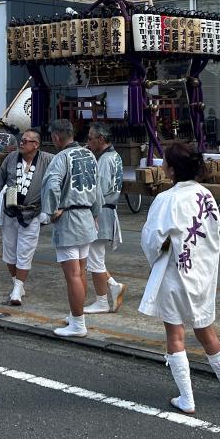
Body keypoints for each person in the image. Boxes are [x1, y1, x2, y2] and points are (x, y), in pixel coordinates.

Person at [139, 142, 220, 413]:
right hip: (202, 272)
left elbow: (151, 239)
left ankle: (187, 398)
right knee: (207, 330)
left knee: (175, 333)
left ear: (170, 169)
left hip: (174, 271)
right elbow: (215, 233)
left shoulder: (165, 199)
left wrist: (158, 254)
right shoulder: (205, 195)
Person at [40, 118, 103, 339]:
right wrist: (96, 213)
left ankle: (78, 323)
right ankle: (75, 314)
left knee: (73, 275)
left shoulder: (61, 158)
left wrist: (51, 210)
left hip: (68, 218)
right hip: (86, 216)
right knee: (81, 271)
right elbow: (97, 188)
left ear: (56, 137)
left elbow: (52, 184)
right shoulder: (89, 155)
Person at [0, 128, 52, 306]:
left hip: (32, 212)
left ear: (36, 145)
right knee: (9, 251)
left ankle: (17, 289)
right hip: (10, 209)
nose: (21, 143)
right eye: (21, 140)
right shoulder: (10, 158)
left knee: (25, 251)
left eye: (26, 141)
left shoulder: (47, 159)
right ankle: (17, 282)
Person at [84, 122, 126, 314]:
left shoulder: (105, 160)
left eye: (91, 138)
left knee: (95, 260)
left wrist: (91, 213)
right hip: (107, 209)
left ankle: (102, 301)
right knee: (94, 257)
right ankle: (113, 286)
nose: (88, 142)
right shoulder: (114, 156)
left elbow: (98, 191)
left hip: (102, 211)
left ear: (101, 139)